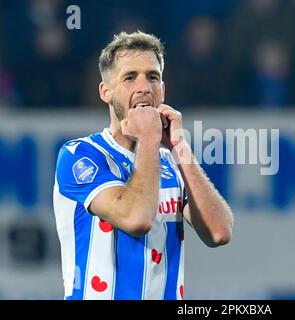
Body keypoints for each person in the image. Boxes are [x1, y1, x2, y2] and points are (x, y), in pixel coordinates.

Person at [53, 31, 234, 300]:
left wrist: (179, 147)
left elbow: (219, 232)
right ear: (106, 91)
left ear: (163, 89)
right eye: (129, 77)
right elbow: (135, 219)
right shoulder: (81, 155)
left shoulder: (172, 163)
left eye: (153, 77)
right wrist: (150, 138)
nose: (144, 87)